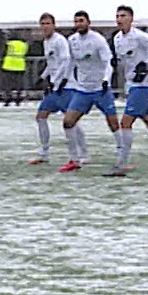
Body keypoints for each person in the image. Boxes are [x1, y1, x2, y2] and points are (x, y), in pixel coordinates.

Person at [58, 10, 116, 173]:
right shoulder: (72, 40)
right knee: (68, 122)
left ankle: (122, 157)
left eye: (81, 21)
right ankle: (74, 159)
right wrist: (64, 79)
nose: (79, 24)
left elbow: (108, 62)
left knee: (114, 124)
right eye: (76, 21)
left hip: (100, 88)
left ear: (88, 22)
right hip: (82, 89)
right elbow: (71, 63)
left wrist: (106, 80)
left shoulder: (98, 40)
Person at [111, 6, 148, 176]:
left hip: (142, 87)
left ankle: (122, 163)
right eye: (118, 16)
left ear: (131, 18)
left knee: (125, 123)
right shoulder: (117, 38)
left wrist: (146, 70)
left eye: (124, 16)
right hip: (131, 86)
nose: (120, 19)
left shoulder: (141, 38)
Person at [27, 13, 74, 165]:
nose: (45, 27)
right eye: (43, 24)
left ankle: (80, 152)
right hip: (53, 87)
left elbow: (65, 61)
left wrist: (56, 81)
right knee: (41, 116)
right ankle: (44, 152)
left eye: (48, 23)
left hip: (64, 87)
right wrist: (42, 77)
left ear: (54, 25)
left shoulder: (60, 41)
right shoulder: (46, 42)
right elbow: (52, 63)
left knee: (70, 120)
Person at [0, 29, 29, 106]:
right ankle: (18, 99)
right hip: (20, 65)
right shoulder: (24, 44)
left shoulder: (9, 43)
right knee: (18, 84)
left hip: (8, 64)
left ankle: (7, 98)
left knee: (8, 84)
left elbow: (3, 52)